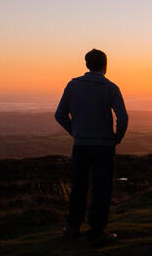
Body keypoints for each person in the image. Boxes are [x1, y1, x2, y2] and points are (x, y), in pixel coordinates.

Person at [55, 48, 128, 244]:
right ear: (105, 65)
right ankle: (97, 232)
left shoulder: (73, 85)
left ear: (87, 64)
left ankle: (72, 227)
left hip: (81, 145)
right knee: (101, 188)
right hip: (104, 146)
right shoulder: (110, 87)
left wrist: (76, 132)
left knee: (79, 186)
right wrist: (116, 138)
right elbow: (123, 117)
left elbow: (59, 115)